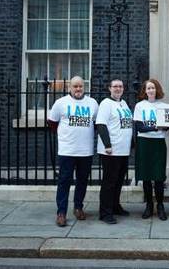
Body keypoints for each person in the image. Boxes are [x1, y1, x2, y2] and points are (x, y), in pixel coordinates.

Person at [48, 76, 99, 227]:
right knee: (64, 181)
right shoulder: (61, 103)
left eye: (80, 86)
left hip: (86, 150)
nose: (78, 89)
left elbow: (96, 124)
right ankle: (61, 212)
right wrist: (66, 135)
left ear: (84, 87)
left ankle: (78, 207)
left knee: (82, 181)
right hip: (67, 150)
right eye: (75, 86)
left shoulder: (92, 103)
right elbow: (52, 123)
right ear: (69, 87)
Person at [96, 79, 133, 224]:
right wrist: (107, 144)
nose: (118, 89)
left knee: (118, 182)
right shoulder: (106, 103)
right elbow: (100, 124)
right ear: (109, 88)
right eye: (115, 86)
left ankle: (115, 206)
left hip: (123, 150)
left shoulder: (123, 103)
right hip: (111, 151)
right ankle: (105, 213)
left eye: (120, 86)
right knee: (109, 183)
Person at [133, 79, 168, 221]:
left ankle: (160, 205)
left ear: (157, 89)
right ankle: (149, 205)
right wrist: (156, 127)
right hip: (144, 143)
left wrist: (160, 127)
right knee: (146, 177)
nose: (151, 90)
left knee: (159, 177)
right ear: (145, 91)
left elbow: (166, 126)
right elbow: (140, 127)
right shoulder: (140, 106)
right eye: (148, 88)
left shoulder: (164, 106)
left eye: (153, 88)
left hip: (158, 142)